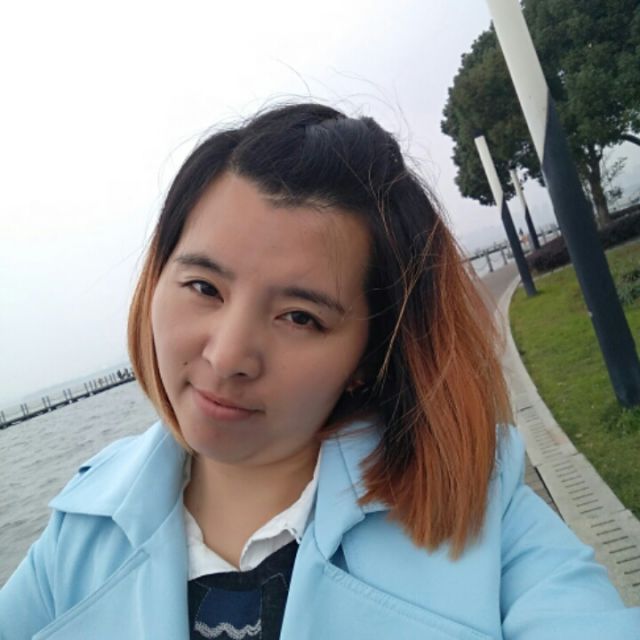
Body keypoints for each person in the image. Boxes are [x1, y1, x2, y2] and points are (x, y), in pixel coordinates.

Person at [1, 103, 638, 639]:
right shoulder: (80, 530)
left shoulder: (478, 507)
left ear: (369, 353)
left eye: (301, 317)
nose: (227, 356)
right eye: (203, 286)